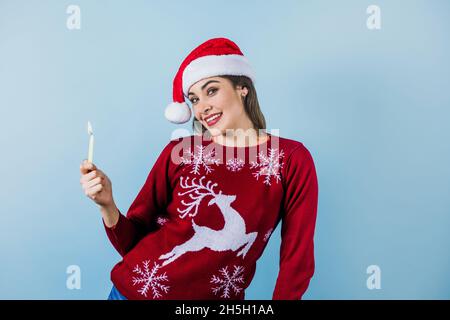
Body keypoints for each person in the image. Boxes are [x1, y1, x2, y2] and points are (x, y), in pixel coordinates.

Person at [79, 37, 318, 300]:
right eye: (193, 99)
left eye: (211, 90)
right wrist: (107, 205)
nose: (202, 107)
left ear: (242, 87)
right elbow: (133, 244)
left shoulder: (290, 159)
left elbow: (298, 257)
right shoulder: (180, 152)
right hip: (131, 293)